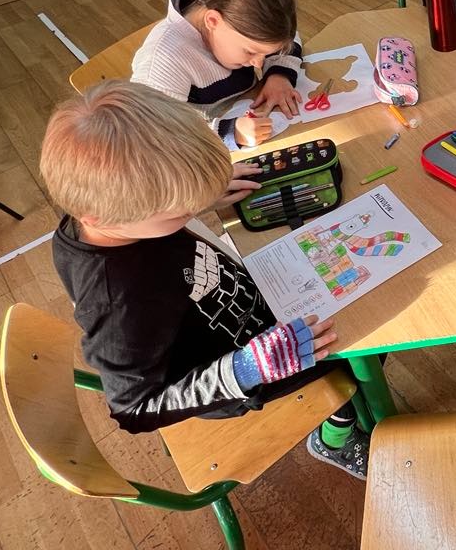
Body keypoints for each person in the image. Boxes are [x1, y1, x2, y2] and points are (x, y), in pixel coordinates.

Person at [41, 80, 370, 478]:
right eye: (180, 211)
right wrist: (247, 368)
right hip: (242, 368)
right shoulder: (117, 301)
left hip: (256, 307)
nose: (191, 211)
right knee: (363, 345)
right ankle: (334, 437)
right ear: (103, 217)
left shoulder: (108, 210)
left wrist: (198, 193)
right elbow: (134, 408)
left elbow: (152, 207)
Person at [131, 0, 302, 151]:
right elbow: (154, 135)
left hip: (246, 108)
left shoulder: (230, 22)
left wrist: (278, 74)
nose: (259, 63)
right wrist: (227, 132)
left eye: (264, 54)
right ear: (212, 21)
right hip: (203, 146)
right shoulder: (164, 60)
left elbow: (286, 38)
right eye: (250, 52)